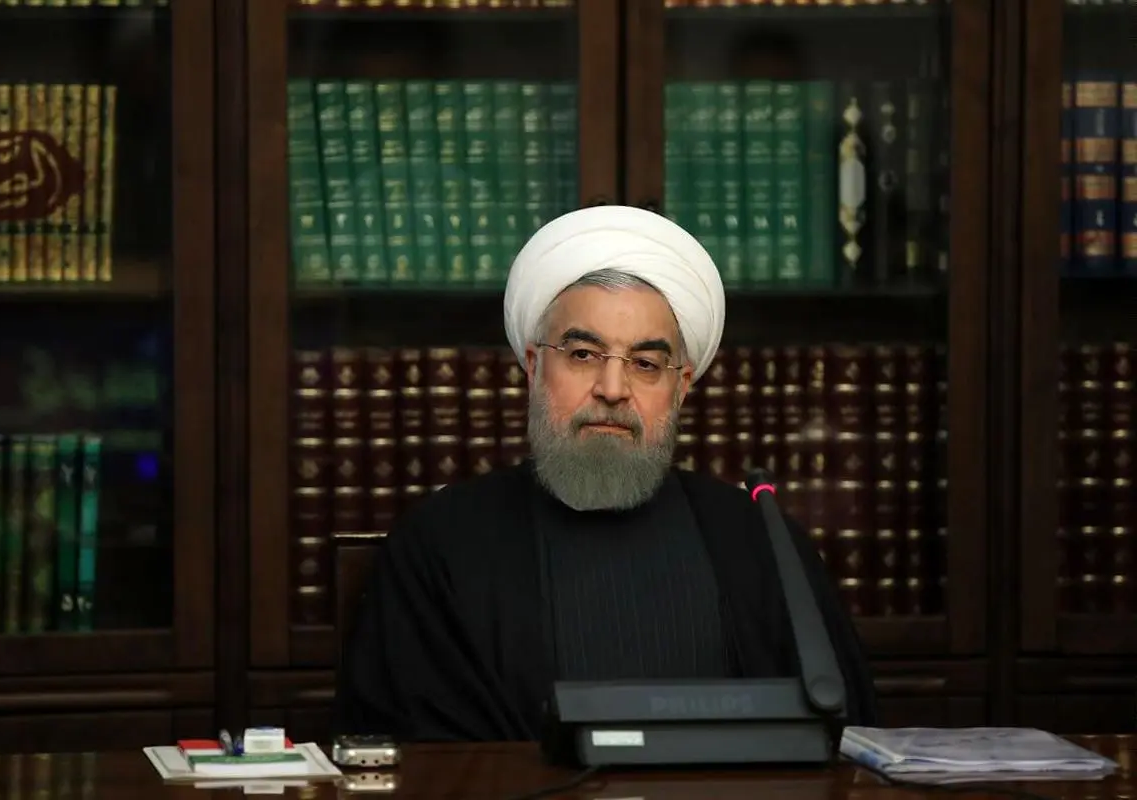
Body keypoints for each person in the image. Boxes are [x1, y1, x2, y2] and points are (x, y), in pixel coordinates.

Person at [332, 205, 877, 742]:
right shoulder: (444, 543)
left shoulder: (757, 540)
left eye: (645, 364)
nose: (613, 390)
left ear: (681, 387)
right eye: (583, 354)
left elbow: (843, 740)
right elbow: (426, 761)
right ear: (533, 367)